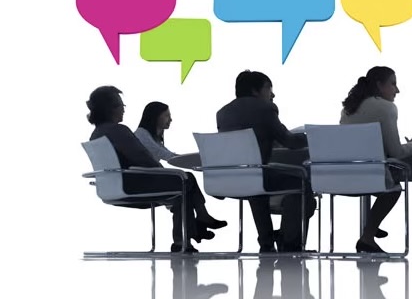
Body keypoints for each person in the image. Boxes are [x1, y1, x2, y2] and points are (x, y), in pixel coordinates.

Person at [86, 86, 226, 252]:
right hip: (133, 185)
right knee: (184, 180)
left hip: (114, 187)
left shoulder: (96, 134)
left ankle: (188, 235)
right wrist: (164, 172)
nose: (123, 110)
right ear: (111, 109)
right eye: (121, 106)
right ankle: (189, 233)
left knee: (181, 188)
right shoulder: (118, 130)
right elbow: (142, 158)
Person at [216, 70, 314, 253]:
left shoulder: (223, 113)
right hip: (256, 175)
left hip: (229, 177)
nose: (273, 94)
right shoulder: (265, 108)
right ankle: (289, 241)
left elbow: (249, 137)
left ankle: (267, 242)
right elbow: (289, 141)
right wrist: (312, 137)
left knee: (256, 184)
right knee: (300, 182)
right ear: (255, 90)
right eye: (269, 88)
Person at [339, 66, 412, 253]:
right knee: (393, 189)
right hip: (370, 176)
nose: (397, 90)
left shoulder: (348, 108)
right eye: (393, 84)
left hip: (341, 177)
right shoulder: (386, 108)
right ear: (379, 85)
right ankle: (368, 235)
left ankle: (372, 225)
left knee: (382, 177)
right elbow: (397, 152)